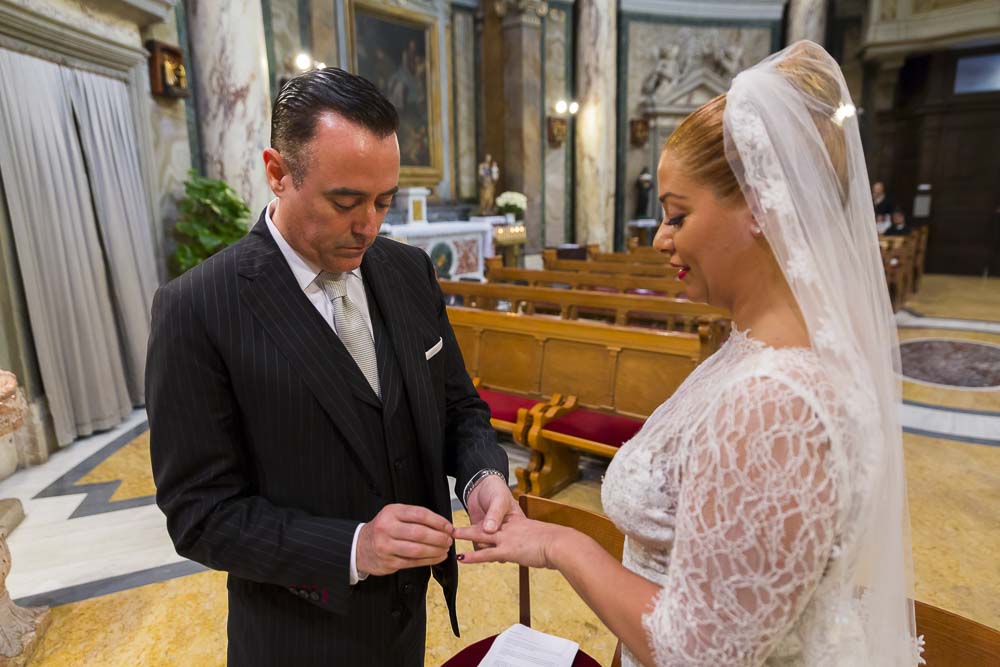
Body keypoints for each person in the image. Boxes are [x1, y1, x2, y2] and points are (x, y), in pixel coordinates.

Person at [455, 41, 918, 666]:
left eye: (677, 214)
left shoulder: (773, 402)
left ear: (758, 205)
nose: (663, 239)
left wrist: (563, 545)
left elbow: (699, 653)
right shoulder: (761, 349)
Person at [146, 67, 518, 666]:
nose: (369, 225)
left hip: (405, 621)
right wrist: (354, 545)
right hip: (298, 636)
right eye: (346, 201)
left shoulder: (406, 271)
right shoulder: (198, 308)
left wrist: (482, 476)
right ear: (277, 172)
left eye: (383, 201)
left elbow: (459, 407)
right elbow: (198, 514)